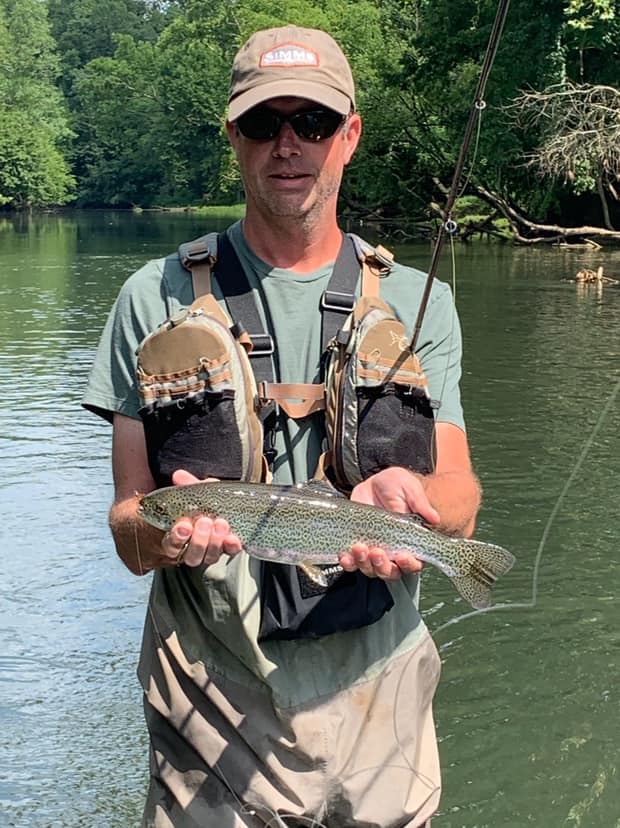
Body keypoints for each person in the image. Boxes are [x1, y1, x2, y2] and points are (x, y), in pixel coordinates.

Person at [84, 25, 481, 828]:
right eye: (265, 124)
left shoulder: (420, 302)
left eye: (314, 123)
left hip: (380, 698)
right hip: (208, 702)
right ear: (233, 137)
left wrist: (419, 506)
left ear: (350, 136)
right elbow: (130, 527)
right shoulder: (149, 298)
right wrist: (165, 535)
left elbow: (462, 496)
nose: (288, 145)